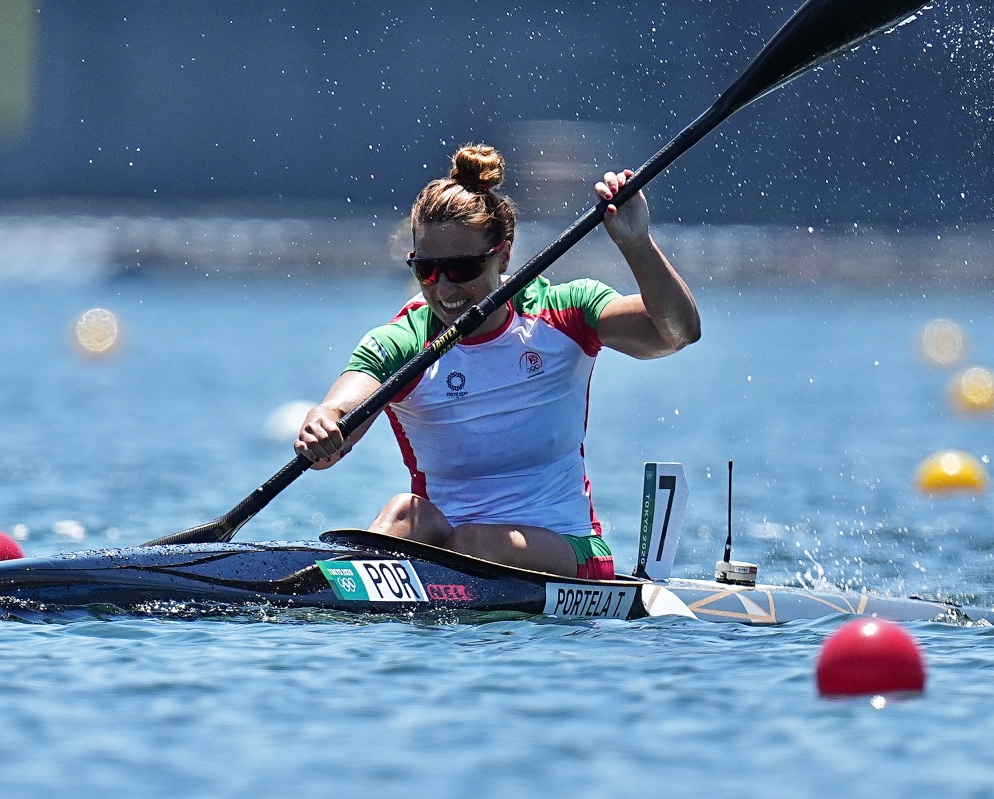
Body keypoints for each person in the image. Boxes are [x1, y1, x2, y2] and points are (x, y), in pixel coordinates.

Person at [295, 143, 700, 579]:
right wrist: (323, 423)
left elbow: (676, 332)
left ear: (503, 256)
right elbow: (340, 417)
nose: (445, 289)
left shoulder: (563, 312)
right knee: (403, 514)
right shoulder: (405, 340)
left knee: (474, 541)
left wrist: (637, 244)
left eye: (463, 269)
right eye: (428, 271)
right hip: (447, 547)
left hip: (568, 550)